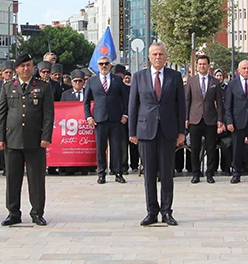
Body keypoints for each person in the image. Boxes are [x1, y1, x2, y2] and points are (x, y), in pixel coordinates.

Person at [128, 42, 185, 226]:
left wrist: (181, 131)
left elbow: (181, 106)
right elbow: (133, 106)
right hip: (145, 131)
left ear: (166, 57)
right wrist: (132, 131)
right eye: (154, 54)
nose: (158, 57)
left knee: (167, 173)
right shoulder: (139, 77)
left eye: (161, 54)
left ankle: (167, 211)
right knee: (149, 173)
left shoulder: (175, 76)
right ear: (149, 57)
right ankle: (151, 211)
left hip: (168, 131)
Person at [0, 53, 54, 226]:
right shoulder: (8, 87)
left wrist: (46, 137)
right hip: (12, 140)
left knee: (36, 179)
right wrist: (0, 137)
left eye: (29, 65)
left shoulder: (43, 87)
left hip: (35, 140)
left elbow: (48, 115)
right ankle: (13, 213)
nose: (26, 69)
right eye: (22, 66)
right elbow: (1, 114)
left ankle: (37, 212)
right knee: (12, 179)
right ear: (16, 69)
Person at [84, 56, 129, 184]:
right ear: (98, 66)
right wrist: (88, 117)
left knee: (116, 148)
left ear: (110, 66)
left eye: (106, 64)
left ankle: (118, 172)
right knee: (101, 148)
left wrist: (125, 115)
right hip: (99, 120)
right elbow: (86, 101)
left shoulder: (117, 80)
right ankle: (101, 173)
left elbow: (125, 99)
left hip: (116, 119)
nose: (104, 66)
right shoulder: (92, 81)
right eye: (101, 64)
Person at [184, 55, 224, 184]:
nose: (202, 66)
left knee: (211, 148)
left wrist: (220, 119)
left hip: (210, 119)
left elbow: (219, 102)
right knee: (194, 148)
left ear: (208, 65)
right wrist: (186, 118)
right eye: (200, 64)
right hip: (194, 119)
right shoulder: (191, 81)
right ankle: (196, 173)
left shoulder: (214, 82)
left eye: (204, 64)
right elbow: (187, 101)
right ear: (197, 66)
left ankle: (210, 173)